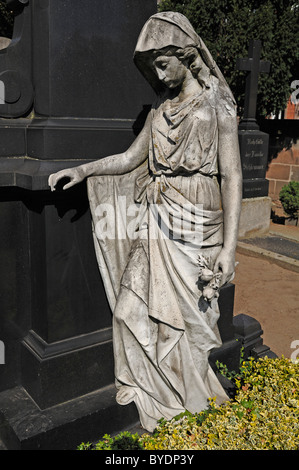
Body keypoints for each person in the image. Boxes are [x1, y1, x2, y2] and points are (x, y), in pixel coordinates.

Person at [48, 12, 242, 432]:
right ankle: (152, 387)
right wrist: (83, 171)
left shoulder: (217, 106)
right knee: (127, 311)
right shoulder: (161, 108)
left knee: (189, 323)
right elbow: (128, 160)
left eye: (161, 63)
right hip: (157, 219)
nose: (156, 73)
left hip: (198, 222)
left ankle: (191, 398)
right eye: (151, 65)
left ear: (185, 56)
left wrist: (229, 247)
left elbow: (232, 176)